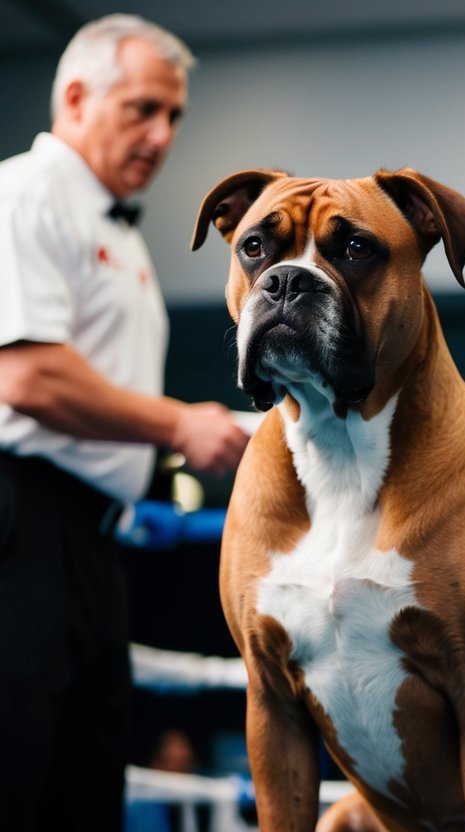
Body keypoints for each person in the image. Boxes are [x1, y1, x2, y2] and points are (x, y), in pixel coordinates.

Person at [0, 14, 248, 831]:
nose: (161, 134)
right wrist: (179, 425)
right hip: (20, 522)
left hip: (91, 538)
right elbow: (24, 373)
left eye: (173, 116)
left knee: (84, 782)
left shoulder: (118, 228)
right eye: (142, 109)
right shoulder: (26, 193)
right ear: (74, 96)